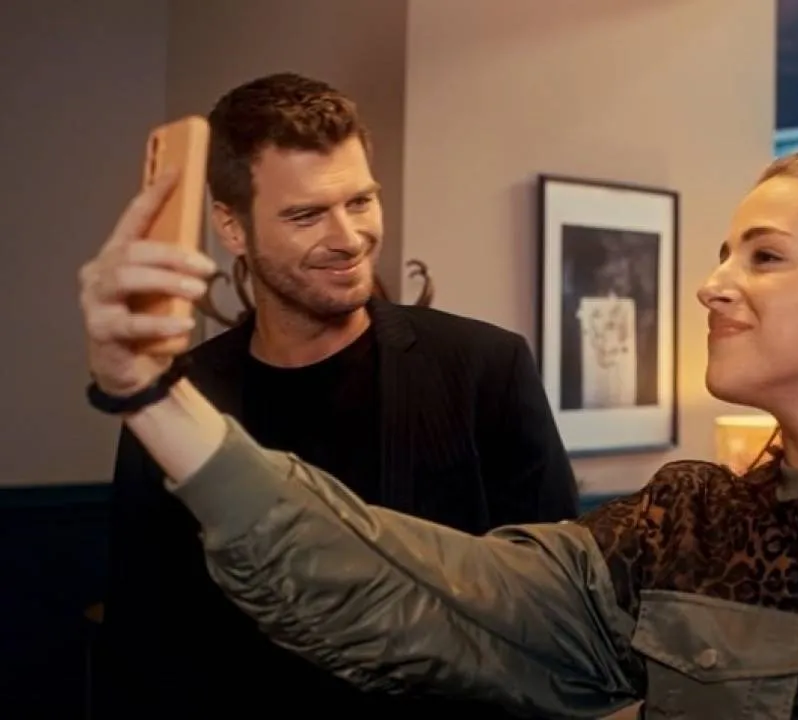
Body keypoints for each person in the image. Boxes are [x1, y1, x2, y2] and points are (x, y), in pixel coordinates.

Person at [80, 148, 798, 720]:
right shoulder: (681, 529)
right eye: (722, 252)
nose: (712, 282)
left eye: (763, 255)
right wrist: (153, 395)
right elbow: (397, 585)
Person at [97, 73, 579, 718]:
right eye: (306, 215)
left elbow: (557, 613)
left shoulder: (485, 368)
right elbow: (144, 632)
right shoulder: (178, 402)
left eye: (360, 202)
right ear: (231, 226)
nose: (348, 237)